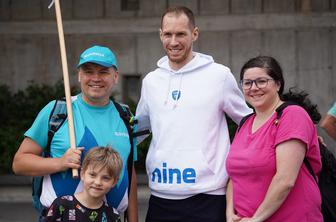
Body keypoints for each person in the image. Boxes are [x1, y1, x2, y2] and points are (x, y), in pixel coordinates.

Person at [135, 6, 252, 222]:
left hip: (208, 196)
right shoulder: (151, 81)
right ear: (161, 35)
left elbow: (250, 123)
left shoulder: (219, 75)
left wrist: (281, 137)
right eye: (168, 34)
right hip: (161, 195)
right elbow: (139, 130)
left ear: (194, 34)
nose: (173, 41)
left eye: (181, 34)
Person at [12, 45, 138, 222]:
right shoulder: (57, 111)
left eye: (103, 72)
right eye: (88, 71)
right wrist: (60, 163)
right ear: (79, 75)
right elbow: (19, 163)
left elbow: (129, 172)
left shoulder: (125, 116)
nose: (95, 78)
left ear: (115, 76)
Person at [226, 56, 323, 221]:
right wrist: (230, 214)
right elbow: (234, 176)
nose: (254, 88)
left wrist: (256, 219)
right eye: (247, 83)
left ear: (278, 84)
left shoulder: (292, 115)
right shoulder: (245, 122)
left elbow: (285, 180)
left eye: (261, 81)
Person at [45, 146, 123, 222]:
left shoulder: (113, 216)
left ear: (114, 182)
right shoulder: (61, 205)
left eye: (105, 178)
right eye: (92, 175)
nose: (98, 182)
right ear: (82, 174)